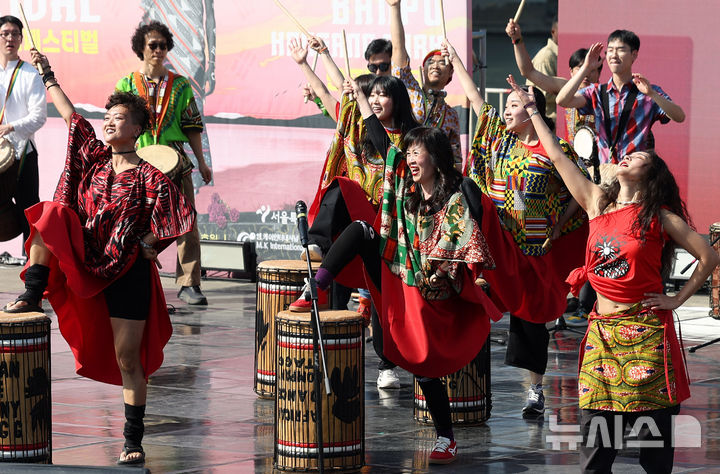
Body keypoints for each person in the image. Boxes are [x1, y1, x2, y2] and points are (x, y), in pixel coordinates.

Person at [507, 74, 719, 474]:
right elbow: (557, 157)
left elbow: (708, 254)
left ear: (652, 175)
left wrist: (677, 299)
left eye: (639, 157)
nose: (628, 156)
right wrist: (535, 111)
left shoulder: (660, 217)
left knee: (654, 451)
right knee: (595, 446)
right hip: (603, 334)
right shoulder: (596, 205)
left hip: (646, 334)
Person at [4, 49, 195, 465]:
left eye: (119, 117)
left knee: (129, 359)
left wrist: (149, 241)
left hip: (127, 270)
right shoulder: (92, 160)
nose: (109, 121)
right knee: (49, 213)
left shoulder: (151, 176)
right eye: (107, 115)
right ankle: (32, 291)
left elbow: (179, 217)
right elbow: (72, 115)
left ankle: (132, 439)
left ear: (138, 129)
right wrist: (46, 73)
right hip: (85, 256)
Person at [309, 75, 500, 463]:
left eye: (418, 153)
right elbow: (379, 137)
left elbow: (465, 240)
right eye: (408, 153)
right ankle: (315, 286)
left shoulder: (455, 196)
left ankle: (446, 437)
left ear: (436, 158)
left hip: (431, 293)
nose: (410, 158)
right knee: (361, 231)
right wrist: (361, 97)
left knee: (422, 364)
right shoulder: (405, 188)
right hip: (397, 274)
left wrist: (443, 268)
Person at [444, 39, 588, 416]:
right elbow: (476, 98)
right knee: (467, 190)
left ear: (533, 111)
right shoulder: (498, 140)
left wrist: (559, 225)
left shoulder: (554, 150)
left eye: (515, 105)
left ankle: (535, 392)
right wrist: (457, 60)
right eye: (506, 106)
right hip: (496, 242)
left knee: (532, 322)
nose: (507, 111)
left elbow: (583, 189)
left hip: (534, 248)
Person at [115, 21, 212, 305]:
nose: (159, 50)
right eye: (152, 45)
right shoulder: (126, 84)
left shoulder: (180, 85)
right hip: (139, 160)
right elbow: (116, 123)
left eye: (163, 45)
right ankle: (129, 273)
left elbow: (192, 125)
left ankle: (189, 282)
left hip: (175, 159)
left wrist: (203, 163)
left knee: (186, 220)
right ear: (141, 49)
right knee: (134, 220)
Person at [556, 30, 685, 164]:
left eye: (620, 50)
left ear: (634, 55)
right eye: (610, 50)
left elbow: (679, 116)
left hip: (636, 174)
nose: (614, 55)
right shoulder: (596, 92)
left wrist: (652, 94)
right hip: (606, 175)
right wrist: (586, 68)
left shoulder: (647, 92)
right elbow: (562, 100)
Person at [386, 0, 462, 168]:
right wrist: (394, 8)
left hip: (436, 178)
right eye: (431, 62)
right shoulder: (411, 91)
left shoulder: (451, 115)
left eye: (442, 62)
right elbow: (398, 49)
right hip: (405, 169)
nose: (435, 65)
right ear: (423, 69)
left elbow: (456, 158)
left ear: (450, 73)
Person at [505, 19, 602, 142]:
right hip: (570, 157)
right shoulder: (564, 87)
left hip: (600, 158)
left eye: (591, 69)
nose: (586, 74)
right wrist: (517, 40)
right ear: (571, 71)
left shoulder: (604, 93)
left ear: (599, 72)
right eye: (581, 69)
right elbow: (528, 71)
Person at [0, 15, 47, 250]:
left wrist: (11, 127)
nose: (10, 38)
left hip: (23, 154)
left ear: (21, 39)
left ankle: (32, 270)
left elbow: (39, 117)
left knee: (30, 211)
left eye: (14, 34)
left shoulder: (30, 74)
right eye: (4, 33)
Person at [525, 17, 558, 122]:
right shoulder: (546, 57)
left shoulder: (558, 55)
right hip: (548, 121)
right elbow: (544, 94)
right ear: (553, 31)